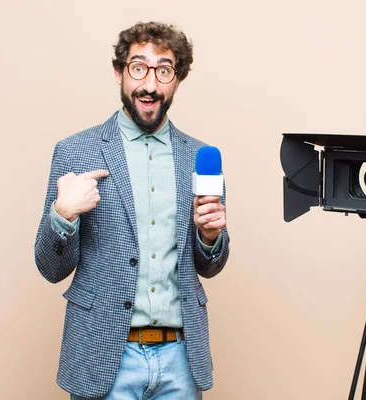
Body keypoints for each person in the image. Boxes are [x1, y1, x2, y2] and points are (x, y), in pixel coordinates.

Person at [34, 21, 230, 400]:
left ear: (178, 79)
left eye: (164, 71)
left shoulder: (200, 158)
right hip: (103, 351)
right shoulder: (76, 152)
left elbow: (211, 266)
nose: (150, 85)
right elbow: (50, 269)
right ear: (119, 72)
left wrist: (210, 239)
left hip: (181, 359)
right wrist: (63, 215)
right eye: (138, 68)